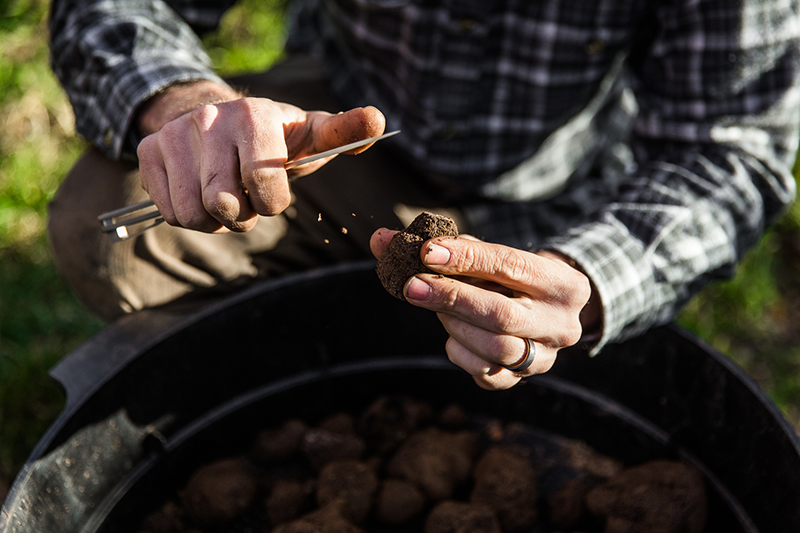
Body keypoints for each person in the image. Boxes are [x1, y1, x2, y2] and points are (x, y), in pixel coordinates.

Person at [47, 0, 800, 390]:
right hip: (334, 145)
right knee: (103, 225)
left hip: (568, 204)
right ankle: (294, 358)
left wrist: (595, 279)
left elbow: (737, 146)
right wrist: (186, 107)